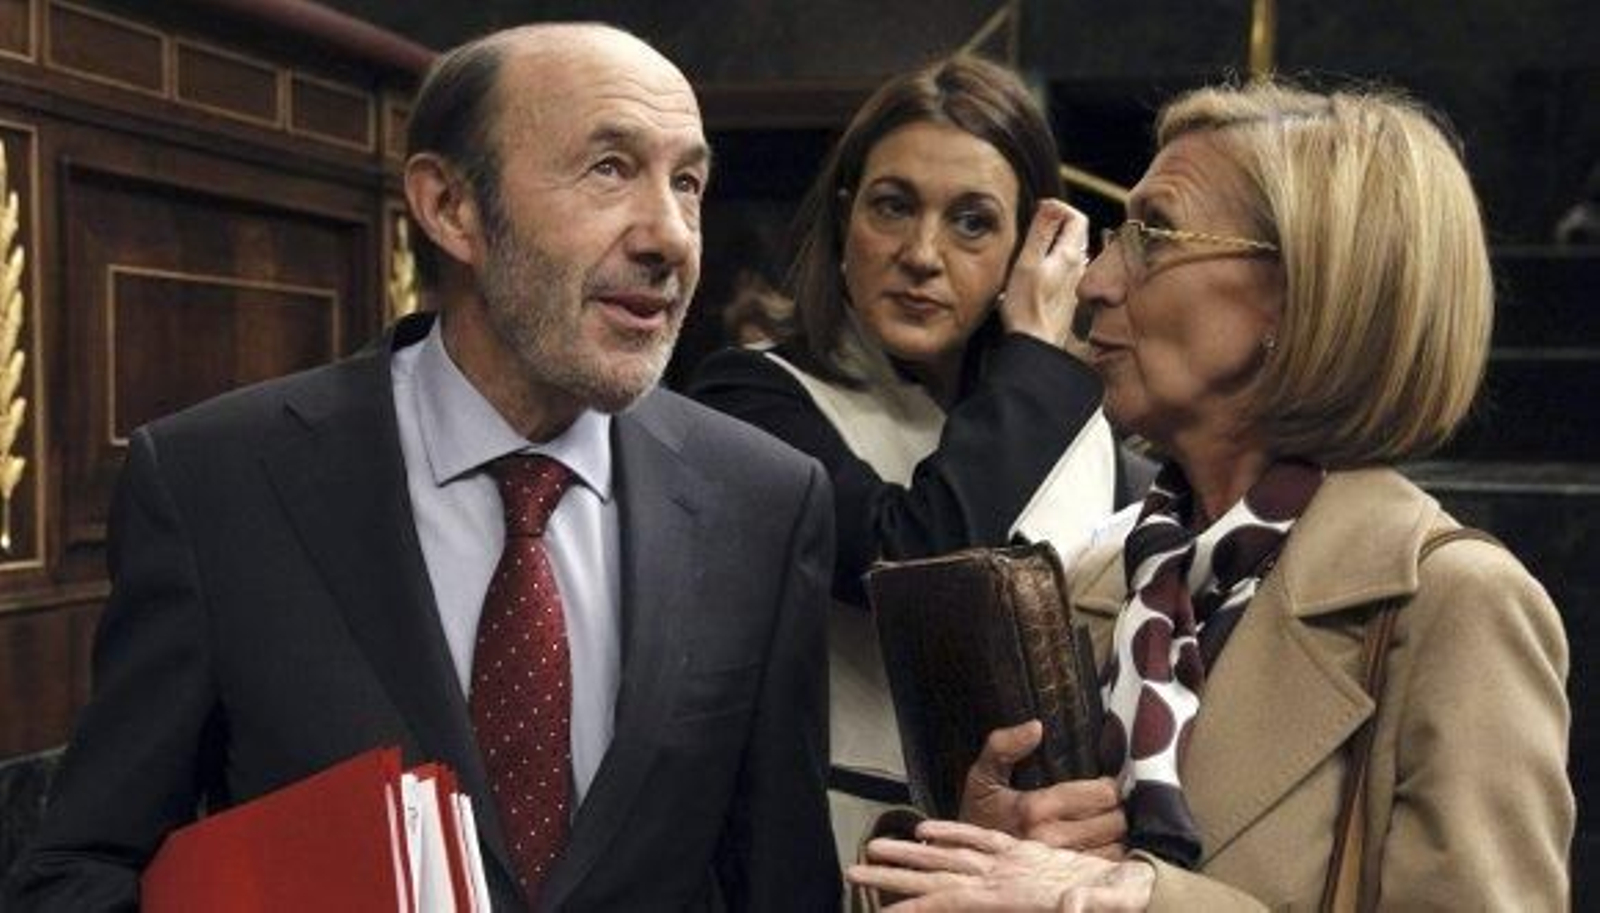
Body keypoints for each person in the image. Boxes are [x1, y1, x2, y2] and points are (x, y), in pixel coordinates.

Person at [6, 23, 839, 912]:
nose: (670, 235)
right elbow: (76, 870)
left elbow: (782, 882)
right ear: (451, 207)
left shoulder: (765, 499)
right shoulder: (216, 482)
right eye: (609, 169)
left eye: (688, 183)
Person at [848, 81, 1573, 910]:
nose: (1094, 283)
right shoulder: (1098, 579)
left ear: (1300, 291)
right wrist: (974, 841)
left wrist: (1132, 900)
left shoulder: (1449, 604)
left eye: (1153, 235)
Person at [688, 56, 1150, 865]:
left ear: (1029, 249)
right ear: (845, 219)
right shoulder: (747, 396)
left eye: (972, 221)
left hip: (1050, 865)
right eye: (893, 206)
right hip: (830, 857)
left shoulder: (1080, 422)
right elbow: (913, 559)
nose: (922, 253)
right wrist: (1038, 358)